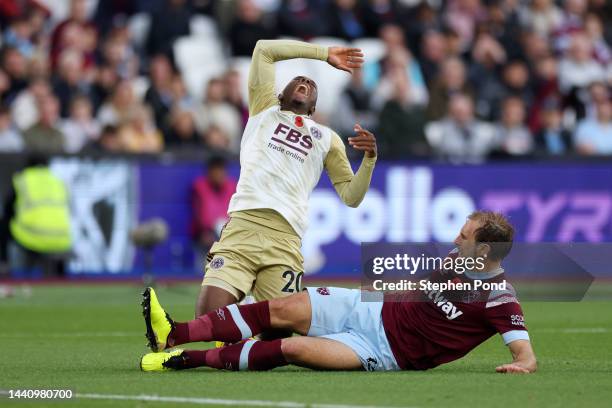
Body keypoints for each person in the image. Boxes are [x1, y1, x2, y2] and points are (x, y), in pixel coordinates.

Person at [139, 211, 537, 374]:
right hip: (369, 309)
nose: (455, 239)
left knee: (292, 349)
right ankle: (173, 334)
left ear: (485, 250)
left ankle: (187, 359)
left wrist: (521, 366)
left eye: (464, 237)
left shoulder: (501, 298)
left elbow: (526, 356)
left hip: (383, 352)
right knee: (281, 308)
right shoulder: (454, 261)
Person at [194, 39, 376, 320]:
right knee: (208, 316)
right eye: (298, 79)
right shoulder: (264, 108)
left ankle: (249, 312)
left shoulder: (328, 139)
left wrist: (369, 160)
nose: (305, 81)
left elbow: (351, 197)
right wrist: (323, 54)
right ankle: (246, 311)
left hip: (286, 239)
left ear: (314, 107)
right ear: (280, 94)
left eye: (311, 84)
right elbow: (263, 50)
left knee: (276, 338)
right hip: (244, 225)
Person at [0, 155, 72, 276]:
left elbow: (8, 210)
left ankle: (4, 266)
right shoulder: (58, 181)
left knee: (3, 226)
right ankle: (60, 276)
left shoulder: (22, 179)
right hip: (62, 237)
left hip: (30, 235)